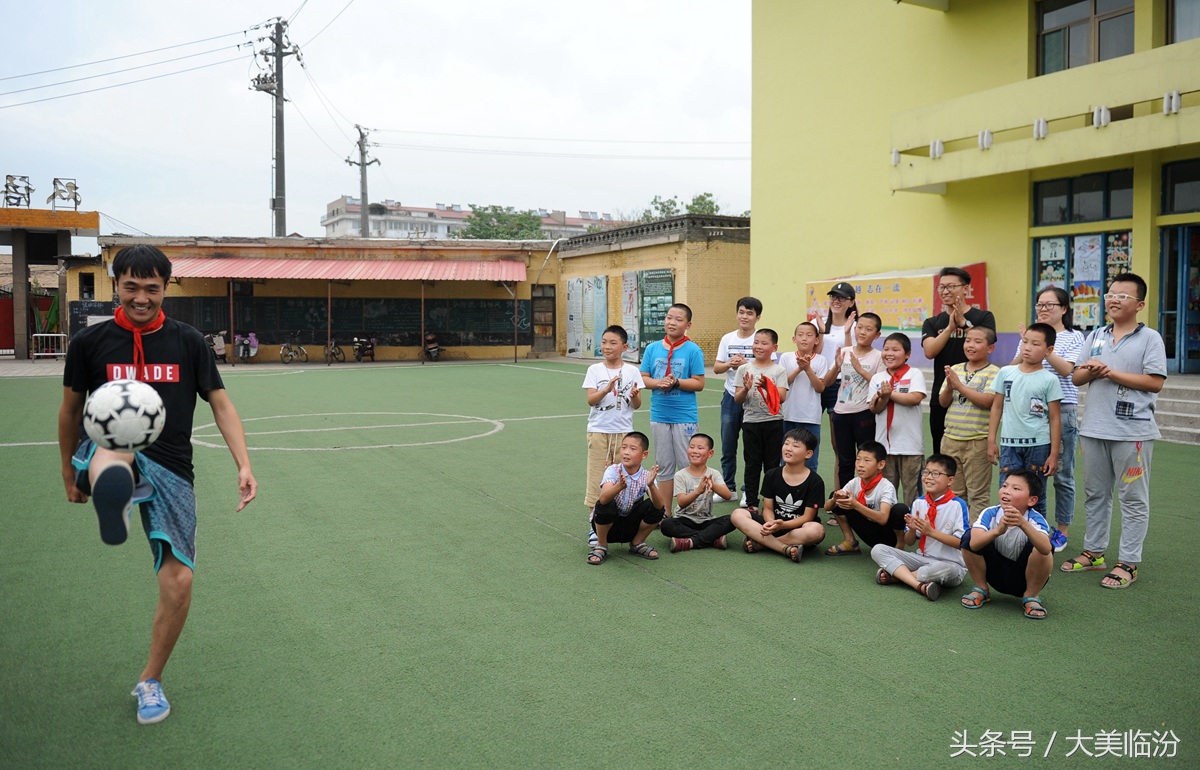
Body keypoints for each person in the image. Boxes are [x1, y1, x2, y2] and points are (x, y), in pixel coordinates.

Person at [57, 244, 257, 725]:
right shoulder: (91, 344)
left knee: (179, 581)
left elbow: (221, 404)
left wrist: (244, 464)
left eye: (152, 288)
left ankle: (150, 681)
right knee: (117, 443)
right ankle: (116, 491)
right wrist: (67, 470)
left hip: (172, 468)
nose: (141, 297)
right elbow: (69, 410)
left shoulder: (189, 341)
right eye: (131, 287)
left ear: (166, 287)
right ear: (116, 286)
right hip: (101, 452)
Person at [1062, 273, 1166, 590]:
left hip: (1133, 431)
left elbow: (1155, 381)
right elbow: (1076, 377)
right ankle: (1094, 553)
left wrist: (1111, 373)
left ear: (1140, 304)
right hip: (1094, 428)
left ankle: (1129, 563)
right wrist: (1090, 370)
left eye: (1123, 295)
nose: (1113, 299)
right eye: (1110, 294)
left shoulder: (1150, 339)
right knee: (1096, 495)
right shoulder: (1095, 336)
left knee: (1132, 499)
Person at [1028, 287, 1086, 552]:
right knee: (1033, 473)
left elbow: (1068, 371)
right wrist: (1029, 342)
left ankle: (1061, 530)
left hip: (1062, 410)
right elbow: (1017, 367)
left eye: (1049, 304)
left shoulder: (1075, 337)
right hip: (1031, 411)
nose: (1043, 309)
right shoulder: (1030, 336)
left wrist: (1044, 348)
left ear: (1064, 309)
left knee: (1062, 474)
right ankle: (1036, 525)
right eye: (1040, 304)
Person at [870, 454, 970, 602]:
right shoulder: (919, 502)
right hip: (921, 559)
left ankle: (897, 577)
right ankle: (918, 585)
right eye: (926, 472)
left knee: (946, 571)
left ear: (950, 480)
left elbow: (961, 543)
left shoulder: (958, 505)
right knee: (878, 549)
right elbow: (910, 542)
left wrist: (931, 532)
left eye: (936, 474)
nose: (929, 477)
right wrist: (911, 529)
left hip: (951, 564)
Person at [987, 323, 1062, 516]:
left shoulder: (1049, 379)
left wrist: (1054, 453)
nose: (1027, 347)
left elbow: (1054, 417)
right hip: (1009, 444)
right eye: (1025, 341)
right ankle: (1007, 537)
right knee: (1008, 493)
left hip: (1039, 445)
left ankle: (1037, 538)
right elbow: (996, 407)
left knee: (1037, 494)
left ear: (1049, 350)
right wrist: (991, 440)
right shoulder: (1006, 373)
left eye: (1035, 344)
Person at [581, 325, 645, 547]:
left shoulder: (632, 371)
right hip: (599, 431)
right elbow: (591, 400)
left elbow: (636, 405)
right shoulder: (595, 370)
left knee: (622, 480)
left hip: (623, 433)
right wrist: (606, 390)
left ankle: (619, 524)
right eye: (604, 342)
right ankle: (594, 525)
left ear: (625, 347)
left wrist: (635, 396)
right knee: (597, 479)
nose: (607, 347)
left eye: (613, 343)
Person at [922, 267, 997, 453]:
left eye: (951, 286)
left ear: (965, 289)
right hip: (942, 394)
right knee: (940, 452)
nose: (945, 291)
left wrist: (963, 324)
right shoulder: (932, 322)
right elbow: (930, 351)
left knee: (974, 451)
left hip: (975, 394)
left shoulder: (983, 317)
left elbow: (983, 342)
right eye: (941, 287)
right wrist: (949, 328)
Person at [960, 471, 1052, 620]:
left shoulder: (1036, 519)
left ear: (1032, 500)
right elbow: (973, 544)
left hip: (1023, 578)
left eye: (1016, 489)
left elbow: (1046, 549)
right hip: (994, 573)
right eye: (1005, 486)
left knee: (1042, 547)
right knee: (968, 536)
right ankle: (981, 589)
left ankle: (1031, 596)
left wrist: (1022, 523)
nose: (1007, 491)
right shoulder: (990, 513)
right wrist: (997, 531)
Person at [639, 303, 706, 509]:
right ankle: (665, 512)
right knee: (664, 465)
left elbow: (699, 383)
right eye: (669, 318)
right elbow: (643, 378)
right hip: (659, 415)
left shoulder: (693, 350)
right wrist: (659, 383)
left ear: (688, 324)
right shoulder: (652, 348)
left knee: (688, 464)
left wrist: (677, 382)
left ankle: (691, 511)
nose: (672, 322)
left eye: (678, 319)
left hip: (684, 416)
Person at [731, 428, 827, 562]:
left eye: (795, 446)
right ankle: (784, 548)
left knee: (816, 530)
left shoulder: (815, 481)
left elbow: (808, 517)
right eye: (786, 443)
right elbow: (768, 508)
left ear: (808, 453)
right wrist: (771, 523)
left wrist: (782, 525)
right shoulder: (772, 474)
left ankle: (762, 544)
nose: (788, 448)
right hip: (772, 525)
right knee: (737, 514)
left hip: (796, 530)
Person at [937, 326, 999, 518]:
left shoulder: (994, 372)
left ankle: (975, 540)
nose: (970, 345)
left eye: (977, 341)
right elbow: (943, 402)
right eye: (968, 340)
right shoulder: (955, 369)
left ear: (990, 348)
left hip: (977, 442)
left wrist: (959, 386)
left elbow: (987, 401)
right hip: (950, 439)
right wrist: (949, 386)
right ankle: (957, 534)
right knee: (954, 494)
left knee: (978, 495)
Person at [587, 431, 667, 565]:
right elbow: (603, 499)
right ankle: (601, 545)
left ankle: (637, 543)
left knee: (656, 507)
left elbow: (660, 506)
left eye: (633, 449)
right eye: (623, 447)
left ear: (644, 455)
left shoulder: (647, 475)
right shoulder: (613, 470)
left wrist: (651, 485)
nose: (626, 452)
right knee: (605, 504)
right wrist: (619, 486)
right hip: (609, 527)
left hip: (631, 527)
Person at [825, 312, 883, 490]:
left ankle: (866, 499)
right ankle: (844, 502)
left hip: (864, 413)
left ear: (877, 335)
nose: (862, 332)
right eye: (860, 327)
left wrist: (859, 369)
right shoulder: (844, 352)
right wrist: (836, 366)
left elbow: (878, 385)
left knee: (866, 460)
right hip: (841, 413)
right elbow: (826, 383)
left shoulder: (879, 356)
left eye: (868, 329)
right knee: (845, 461)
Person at [733, 329, 789, 512]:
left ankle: (769, 502)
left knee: (772, 465)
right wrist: (746, 389)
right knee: (752, 464)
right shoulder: (744, 369)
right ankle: (751, 503)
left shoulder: (778, 370)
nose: (758, 346)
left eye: (764, 343)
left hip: (774, 422)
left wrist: (767, 385)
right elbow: (737, 399)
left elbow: (781, 397)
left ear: (774, 347)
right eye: (756, 342)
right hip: (751, 422)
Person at [714, 297, 763, 505]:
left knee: (752, 447)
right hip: (730, 396)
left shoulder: (761, 338)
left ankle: (748, 490)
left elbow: (767, 367)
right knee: (728, 444)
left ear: (757, 317)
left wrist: (746, 365)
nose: (744, 316)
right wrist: (729, 364)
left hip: (754, 398)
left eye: (749, 313)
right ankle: (728, 487)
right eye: (741, 312)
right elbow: (716, 367)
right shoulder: (727, 338)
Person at [868, 332, 926, 505]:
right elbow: (874, 408)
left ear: (907, 354)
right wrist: (884, 398)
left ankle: (912, 530)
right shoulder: (878, 378)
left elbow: (914, 398)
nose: (889, 353)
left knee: (912, 495)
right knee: (886, 494)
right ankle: (887, 528)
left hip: (911, 447)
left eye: (896, 349)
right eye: (886, 349)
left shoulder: (914, 374)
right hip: (884, 447)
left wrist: (888, 394)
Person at [824, 441, 905, 555]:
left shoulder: (886, 487)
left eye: (867, 460)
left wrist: (855, 505)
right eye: (858, 459)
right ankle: (851, 542)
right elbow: (827, 507)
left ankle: (899, 547)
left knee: (900, 509)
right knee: (837, 496)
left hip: (888, 537)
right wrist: (834, 499)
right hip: (867, 532)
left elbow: (883, 519)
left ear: (880, 465)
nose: (860, 464)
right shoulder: (854, 483)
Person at [813, 282, 858, 491]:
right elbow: (815, 352)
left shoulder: (857, 327)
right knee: (806, 438)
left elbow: (853, 356)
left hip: (841, 385)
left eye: (841, 297)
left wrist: (848, 331)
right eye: (833, 297)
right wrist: (821, 331)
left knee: (838, 446)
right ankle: (806, 492)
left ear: (851, 302)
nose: (836, 301)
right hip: (816, 382)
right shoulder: (818, 323)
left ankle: (839, 495)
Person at [663, 433, 736, 552]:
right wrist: (697, 491)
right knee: (667, 525)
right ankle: (712, 538)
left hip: (706, 520)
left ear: (710, 453)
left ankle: (690, 542)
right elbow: (681, 503)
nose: (694, 451)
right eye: (691, 447)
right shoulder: (680, 475)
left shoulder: (714, 473)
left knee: (732, 519)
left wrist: (713, 485)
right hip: (684, 519)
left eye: (700, 448)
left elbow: (727, 495)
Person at [779, 321, 829, 473]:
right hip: (788, 415)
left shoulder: (821, 360)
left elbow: (820, 387)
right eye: (800, 335)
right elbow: (782, 383)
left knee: (810, 458)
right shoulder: (786, 358)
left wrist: (807, 369)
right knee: (786, 457)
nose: (804, 339)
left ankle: (809, 493)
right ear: (794, 339)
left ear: (816, 340)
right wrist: (799, 369)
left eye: (809, 335)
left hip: (811, 417)